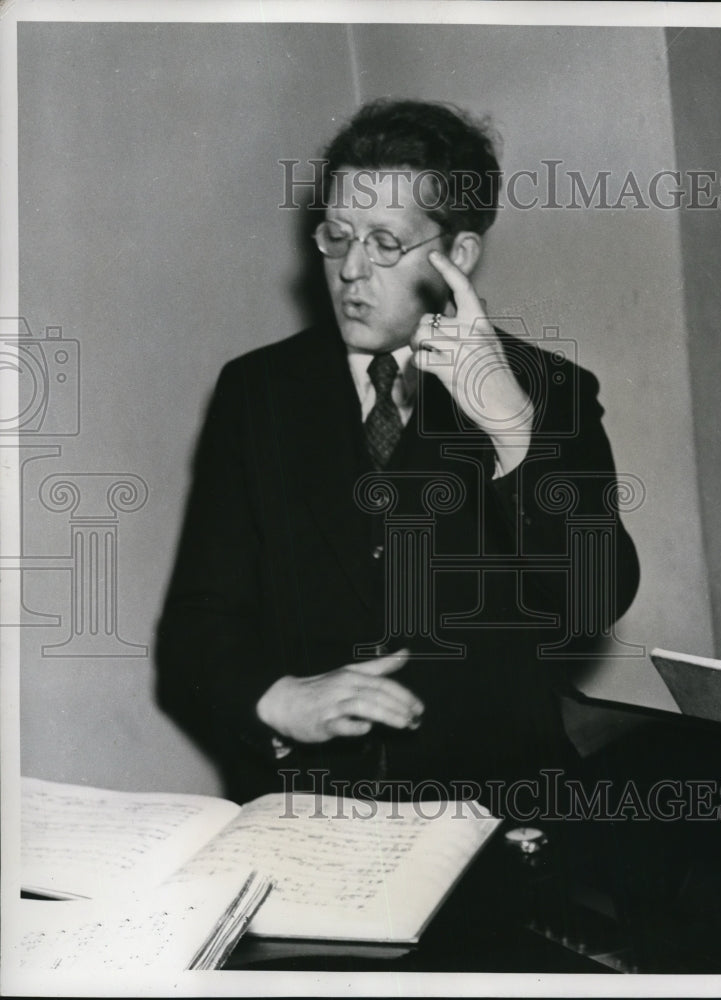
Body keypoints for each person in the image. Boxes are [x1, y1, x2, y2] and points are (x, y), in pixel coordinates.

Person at [156, 99, 639, 807]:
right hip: (306, 808)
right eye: (338, 234)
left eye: (384, 241)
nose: (350, 268)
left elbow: (591, 601)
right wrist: (272, 701)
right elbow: (199, 619)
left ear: (458, 255)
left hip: (493, 812)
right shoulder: (255, 390)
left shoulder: (548, 392)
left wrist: (511, 432)